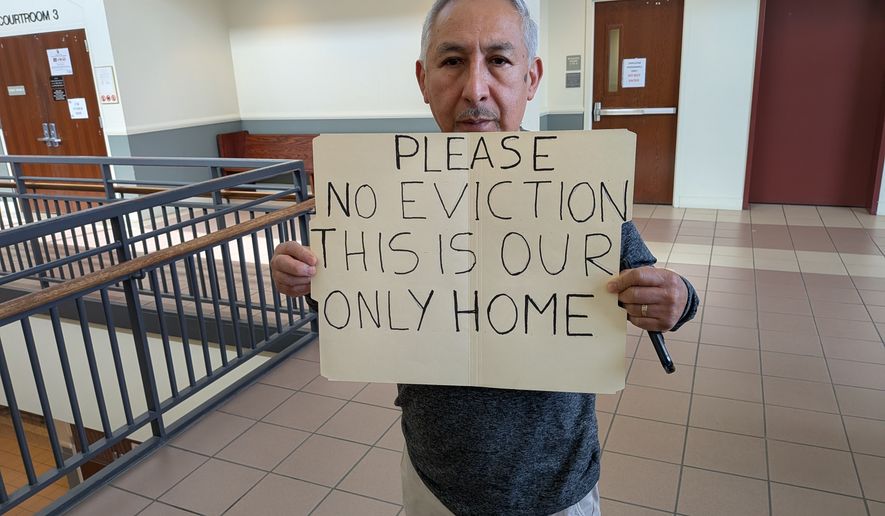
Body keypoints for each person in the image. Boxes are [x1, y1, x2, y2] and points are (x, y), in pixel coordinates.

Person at [271, 0, 699, 514]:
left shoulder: (575, 186)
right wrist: (305, 279)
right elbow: (358, 299)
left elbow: (652, 283)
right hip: (435, 482)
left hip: (557, 489)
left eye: (499, 60)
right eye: (452, 61)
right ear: (423, 78)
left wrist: (678, 298)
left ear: (531, 76)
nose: (475, 89)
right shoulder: (383, 192)